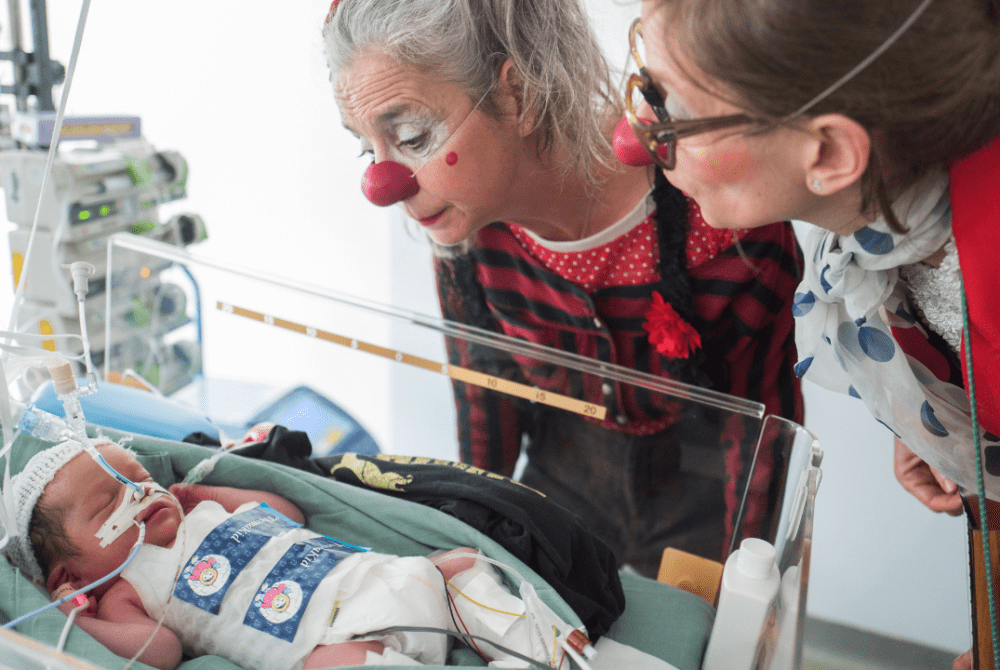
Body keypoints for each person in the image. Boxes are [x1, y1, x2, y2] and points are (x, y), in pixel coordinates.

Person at [322, 0, 804, 578]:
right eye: (365, 147)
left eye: (412, 135)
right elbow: (486, 401)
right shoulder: (465, 237)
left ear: (515, 96)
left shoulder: (722, 222)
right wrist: (476, 549)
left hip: (702, 481)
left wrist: (749, 579)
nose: (382, 184)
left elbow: (760, 427)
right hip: (563, 470)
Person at [627, 0, 1000, 665]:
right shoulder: (900, 217)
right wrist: (943, 419)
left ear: (827, 152)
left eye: (675, 111)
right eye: (647, 91)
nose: (636, 139)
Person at [3, 439, 609, 670]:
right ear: (68, 573)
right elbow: (157, 651)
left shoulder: (202, 509)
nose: (141, 493)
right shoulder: (124, 589)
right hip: (324, 641)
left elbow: (285, 512)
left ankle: (544, 648)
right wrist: (76, 616)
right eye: (110, 500)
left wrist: (202, 491)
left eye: (139, 477)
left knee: (460, 565)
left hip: (381, 579)